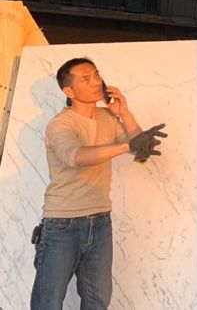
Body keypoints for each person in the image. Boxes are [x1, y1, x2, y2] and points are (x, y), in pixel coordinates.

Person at [30, 57, 167, 310]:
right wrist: (127, 145)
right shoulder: (61, 124)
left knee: (97, 302)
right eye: (86, 78)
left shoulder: (107, 117)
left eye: (96, 75)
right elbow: (75, 157)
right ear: (69, 91)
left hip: (101, 221)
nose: (96, 81)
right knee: (47, 303)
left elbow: (141, 151)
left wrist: (125, 114)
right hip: (62, 224)